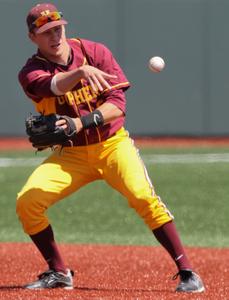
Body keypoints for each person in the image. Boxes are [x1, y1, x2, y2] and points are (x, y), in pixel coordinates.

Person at [17, 2, 205, 292]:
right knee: (27, 202)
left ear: (65, 27)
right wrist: (80, 74)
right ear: (33, 37)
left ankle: (188, 272)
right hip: (72, 155)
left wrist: (80, 123)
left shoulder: (95, 52)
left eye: (58, 29)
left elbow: (117, 105)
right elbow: (51, 86)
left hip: (112, 145)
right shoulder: (31, 70)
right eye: (46, 32)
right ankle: (59, 272)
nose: (55, 36)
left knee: (144, 198)